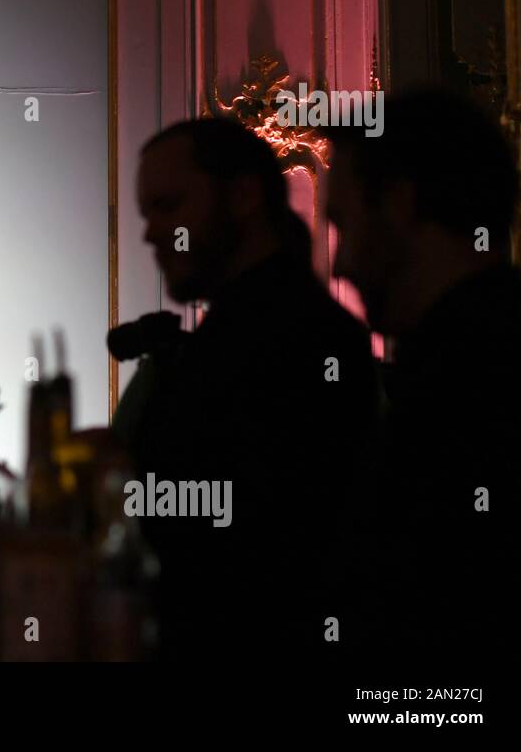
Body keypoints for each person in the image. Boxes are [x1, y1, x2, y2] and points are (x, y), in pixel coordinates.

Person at [129, 117, 378, 660]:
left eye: (168, 207)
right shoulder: (263, 329)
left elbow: (252, 546)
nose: (149, 233)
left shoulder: (292, 339)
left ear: (242, 195)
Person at [326, 87, 521, 656]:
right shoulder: (475, 359)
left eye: (343, 225)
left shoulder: (469, 390)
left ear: (398, 203)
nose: (339, 263)